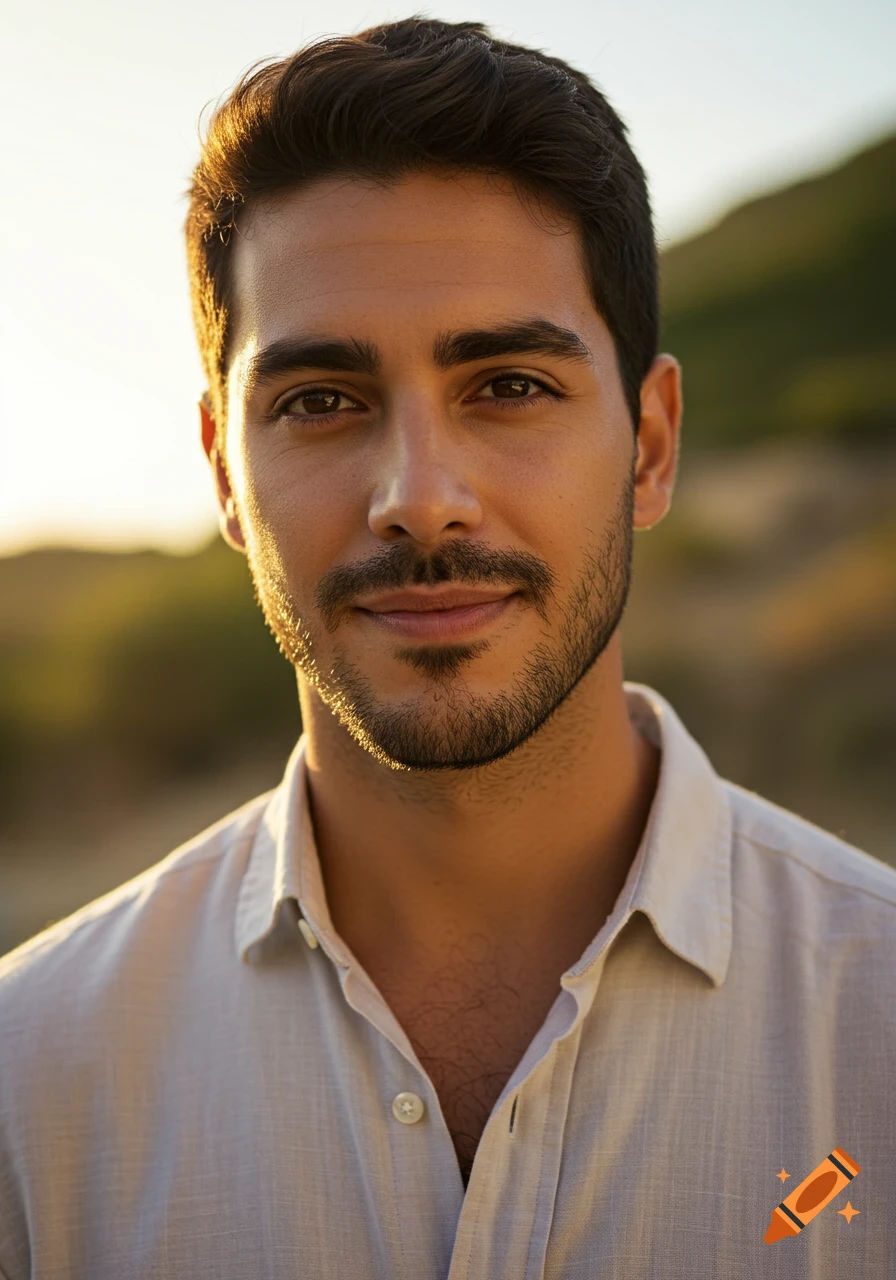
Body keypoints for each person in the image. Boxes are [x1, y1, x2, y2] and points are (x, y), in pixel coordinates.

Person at [0, 16, 893, 1278]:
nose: (419, 496)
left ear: (647, 444)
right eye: (320, 402)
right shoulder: (29, 1077)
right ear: (221, 471)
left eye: (509, 385)